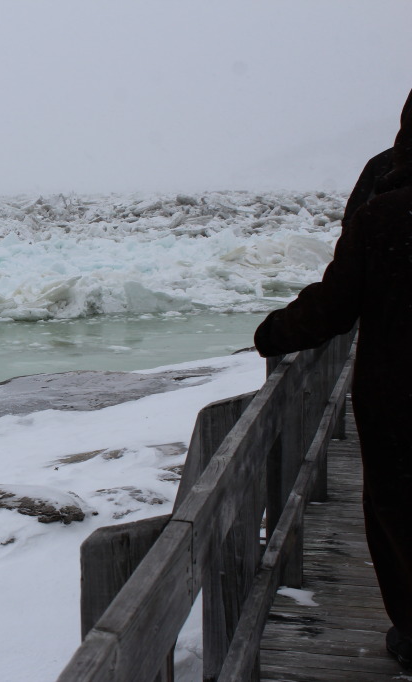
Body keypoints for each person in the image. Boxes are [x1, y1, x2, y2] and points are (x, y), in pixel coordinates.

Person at [254, 87, 412, 668]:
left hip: (399, 397)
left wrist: (274, 333)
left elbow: (335, 304)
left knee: (398, 509)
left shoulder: (385, 213)